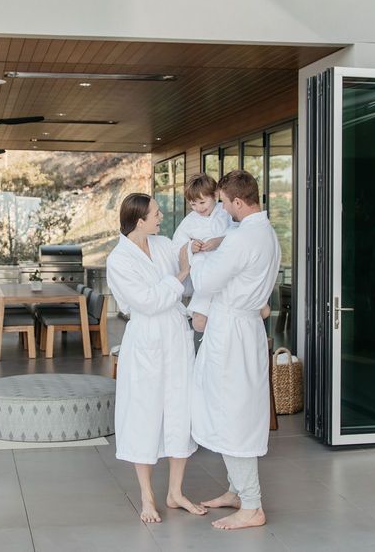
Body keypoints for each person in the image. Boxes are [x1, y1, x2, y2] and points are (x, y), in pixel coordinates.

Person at [182, 170, 281, 531]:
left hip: (232, 332)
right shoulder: (269, 234)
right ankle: (237, 491)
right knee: (233, 407)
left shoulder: (240, 240)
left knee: (233, 413)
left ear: (238, 202)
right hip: (246, 327)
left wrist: (199, 251)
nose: (222, 208)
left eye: (224, 202)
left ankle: (252, 506)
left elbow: (206, 281)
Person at [106, 193, 208, 524]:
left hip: (176, 337)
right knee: (145, 412)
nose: (161, 215)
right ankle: (147, 496)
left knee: (181, 409)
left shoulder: (162, 243)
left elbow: (187, 261)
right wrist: (179, 274)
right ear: (139, 220)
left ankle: (175, 492)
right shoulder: (118, 260)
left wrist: (192, 253)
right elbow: (148, 302)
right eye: (155, 212)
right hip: (147, 338)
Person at [171, 173, 234, 333]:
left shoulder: (226, 213)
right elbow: (177, 246)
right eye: (193, 204)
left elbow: (239, 236)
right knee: (199, 323)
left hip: (228, 274)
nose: (199, 208)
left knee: (226, 315)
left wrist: (219, 241)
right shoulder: (189, 221)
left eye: (202, 202)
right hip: (204, 274)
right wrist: (191, 246)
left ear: (215, 195)